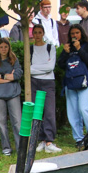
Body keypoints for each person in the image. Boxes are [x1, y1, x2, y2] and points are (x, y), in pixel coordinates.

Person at [58, 24, 88, 149]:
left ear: (81, 34)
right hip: (71, 83)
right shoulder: (68, 47)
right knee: (72, 112)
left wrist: (80, 49)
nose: (74, 36)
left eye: (77, 33)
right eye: (72, 33)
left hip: (85, 81)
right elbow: (61, 65)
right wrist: (65, 52)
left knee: (84, 109)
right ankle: (79, 139)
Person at [0, 37, 23, 156]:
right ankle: (6, 147)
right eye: (1, 47)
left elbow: (18, 74)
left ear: (9, 48)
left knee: (17, 122)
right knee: (1, 122)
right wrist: (8, 78)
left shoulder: (14, 60)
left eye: (5, 47)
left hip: (13, 94)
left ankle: (20, 147)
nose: (3, 49)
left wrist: (1, 77)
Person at [30, 24, 61, 153]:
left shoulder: (50, 48)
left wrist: (36, 68)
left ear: (43, 33)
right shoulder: (30, 49)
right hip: (34, 82)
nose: (37, 35)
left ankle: (49, 140)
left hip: (48, 82)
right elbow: (29, 69)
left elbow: (50, 67)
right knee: (38, 111)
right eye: (35, 33)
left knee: (49, 111)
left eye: (39, 32)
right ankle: (41, 139)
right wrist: (40, 68)